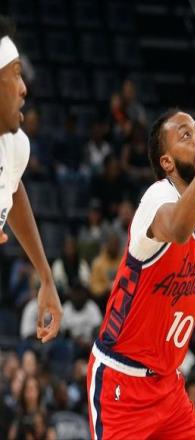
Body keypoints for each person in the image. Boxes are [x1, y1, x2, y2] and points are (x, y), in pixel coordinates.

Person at [86, 88, 195, 439]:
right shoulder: (157, 196)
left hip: (168, 388)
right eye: (185, 135)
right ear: (166, 162)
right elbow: (178, 228)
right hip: (121, 385)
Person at [0, 15, 62, 343]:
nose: (24, 88)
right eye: (15, 74)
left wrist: (45, 276)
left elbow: (13, 186)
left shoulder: (16, 145)